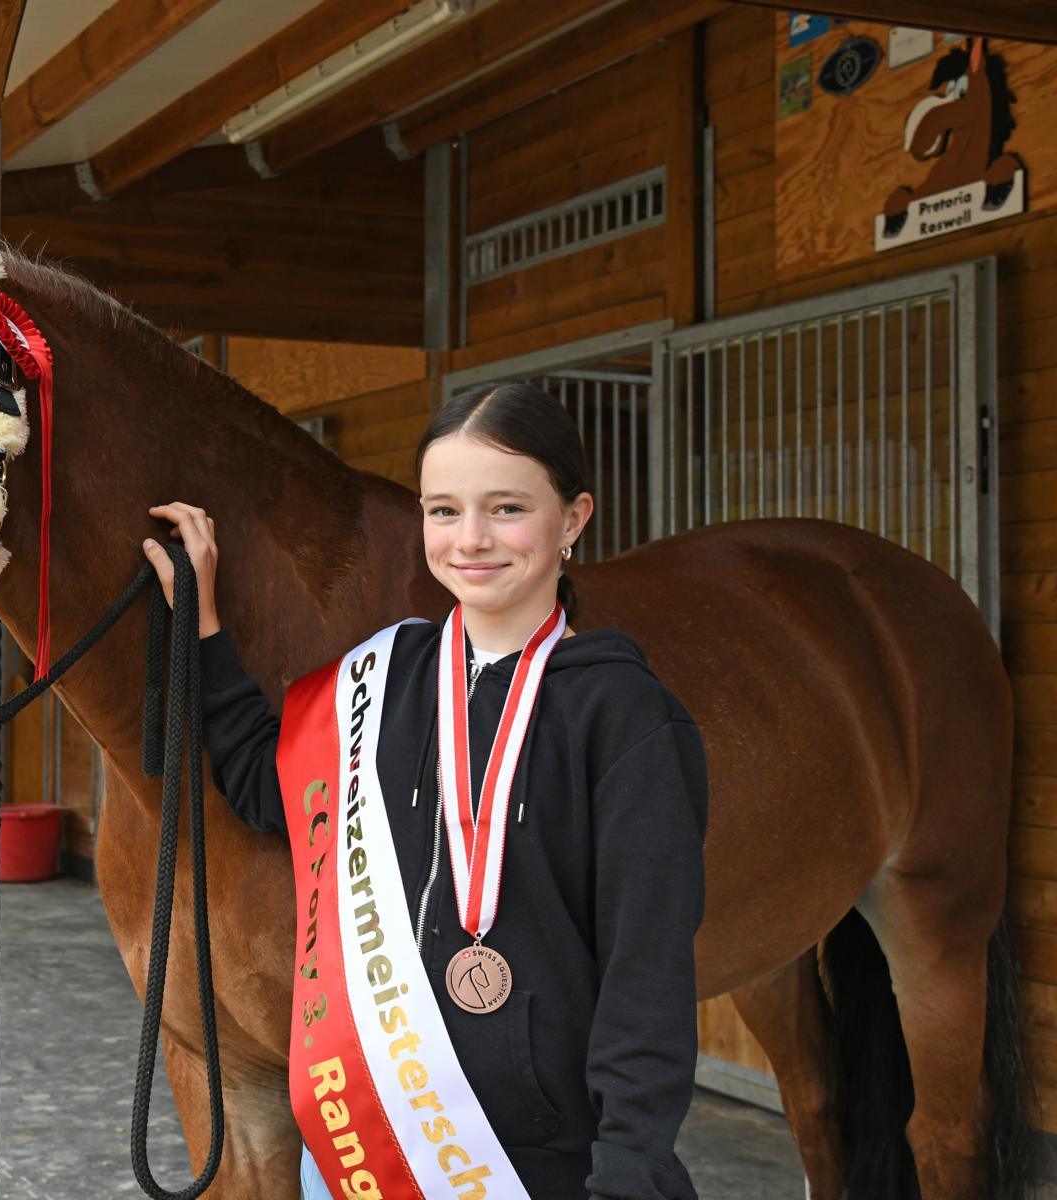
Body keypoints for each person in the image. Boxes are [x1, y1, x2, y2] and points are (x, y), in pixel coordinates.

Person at [143, 380, 708, 1200]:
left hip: (549, 1169)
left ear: (573, 519)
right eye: (445, 511)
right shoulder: (382, 681)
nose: (471, 539)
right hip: (370, 1149)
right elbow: (271, 791)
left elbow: (646, 979)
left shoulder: (625, 719)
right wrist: (202, 628)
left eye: (507, 508)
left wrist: (630, 1174)